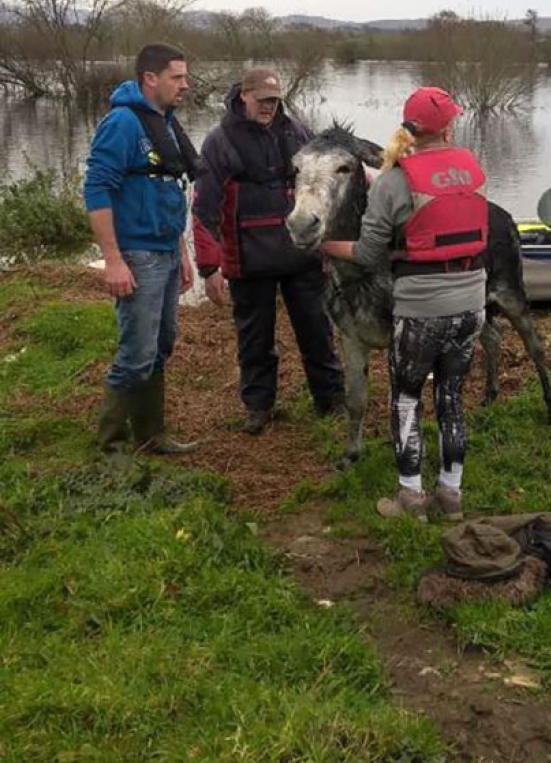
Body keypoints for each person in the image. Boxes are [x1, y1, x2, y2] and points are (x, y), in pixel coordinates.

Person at [320, 87, 487, 521]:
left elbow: (369, 254)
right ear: (448, 126)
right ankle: (451, 496)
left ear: (407, 129)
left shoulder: (394, 181)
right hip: (472, 301)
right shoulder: (470, 168)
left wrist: (327, 244)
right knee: (450, 397)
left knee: (407, 400)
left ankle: (410, 498)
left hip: (422, 308)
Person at [192, 67, 345, 433]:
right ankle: (258, 407)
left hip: (302, 254)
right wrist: (208, 267)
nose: (268, 108)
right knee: (254, 338)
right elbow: (204, 207)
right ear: (244, 96)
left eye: (274, 101)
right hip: (247, 258)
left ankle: (331, 402)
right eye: (262, 100)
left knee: (317, 331)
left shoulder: (298, 132)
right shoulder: (219, 142)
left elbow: (323, 188)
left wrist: (333, 242)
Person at [84, 43, 200, 461]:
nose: (185, 85)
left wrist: (182, 252)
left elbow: (170, 188)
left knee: (162, 344)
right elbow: (96, 189)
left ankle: (152, 435)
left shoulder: (163, 122)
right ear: (151, 78)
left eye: (185, 77)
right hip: (138, 256)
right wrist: (113, 260)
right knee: (136, 353)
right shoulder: (122, 123)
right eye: (177, 77)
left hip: (166, 252)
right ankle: (111, 447)